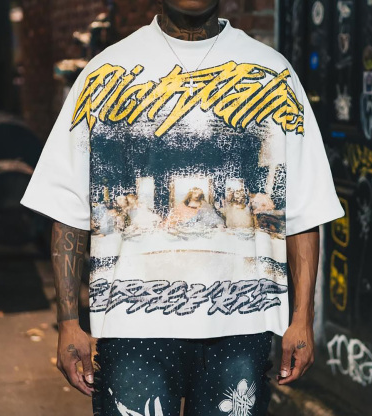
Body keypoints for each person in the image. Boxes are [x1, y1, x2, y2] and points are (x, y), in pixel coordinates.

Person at [21, 1, 345, 415]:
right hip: (130, 325)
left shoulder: (272, 74)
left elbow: (303, 208)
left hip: (242, 325)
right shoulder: (105, 74)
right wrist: (69, 322)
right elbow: (68, 208)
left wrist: (302, 319)